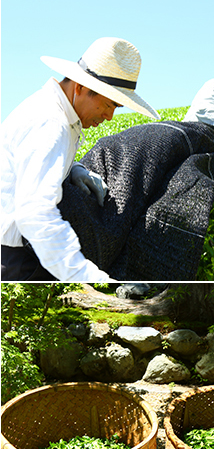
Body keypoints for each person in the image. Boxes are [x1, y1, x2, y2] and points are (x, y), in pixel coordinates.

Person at [1, 37, 158, 281]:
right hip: (16, 259)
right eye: (108, 104)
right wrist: (83, 273)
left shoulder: (55, 112)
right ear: (80, 87)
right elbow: (34, 214)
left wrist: (73, 168)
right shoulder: (51, 123)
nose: (109, 116)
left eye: (117, 107)